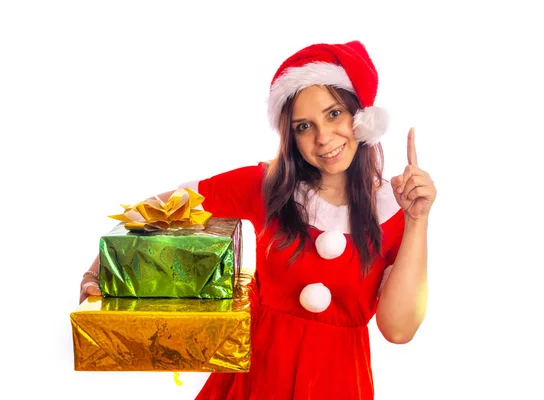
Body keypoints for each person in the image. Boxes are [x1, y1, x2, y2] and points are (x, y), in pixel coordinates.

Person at [79, 40, 437, 400]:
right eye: (303, 126)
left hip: (340, 383)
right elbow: (165, 208)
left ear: (360, 117)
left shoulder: (393, 209)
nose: (323, 138)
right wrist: (97, 271)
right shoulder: (267, 186)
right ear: (290, 135)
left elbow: (398, 329)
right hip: (256, 379)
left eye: (333, 114)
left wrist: (418, 220)